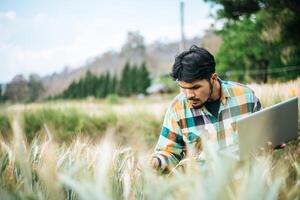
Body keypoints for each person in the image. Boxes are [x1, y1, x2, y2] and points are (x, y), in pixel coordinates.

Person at [151, 45, 263, 172]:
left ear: (213, 78)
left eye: (195, 88)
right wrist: (156, 162)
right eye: (183, 88)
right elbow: (168, 152)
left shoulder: (246, 97)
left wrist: (272, 141)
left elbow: (264, 135)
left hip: (246, 186)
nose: (188, 95)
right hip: (205, 190)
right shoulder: (177, 109)